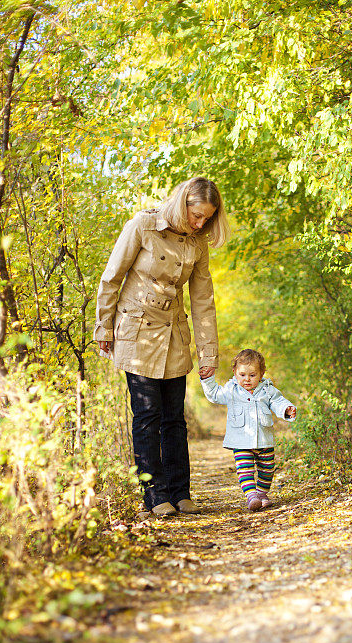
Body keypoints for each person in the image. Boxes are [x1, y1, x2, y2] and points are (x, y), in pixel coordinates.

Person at [94, 177, 229, 517]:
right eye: (196, 215)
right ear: (182, 202)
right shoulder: (143, 225)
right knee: (146, 417)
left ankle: (180, 492)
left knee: (174, 419)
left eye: (207, 219)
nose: (200, 223)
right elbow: (112, 277)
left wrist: (208, 352)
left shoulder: (197, 244)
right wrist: (103, 326)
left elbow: (202, 301)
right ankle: (154, 496)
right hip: (136, 333)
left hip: (174, 335)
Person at [200, 349, 296, 511]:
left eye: (252, 375)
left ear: (261, 374)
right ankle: (251, 496)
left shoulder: (266, 389)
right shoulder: (231, 390)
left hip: (264, 439)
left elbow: (277, 401)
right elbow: (215, 394)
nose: (247, 379)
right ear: (235, 372)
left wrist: (286, 409)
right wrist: (207, 379)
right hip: (241, 441)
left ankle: (262, 494)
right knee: (245, 469)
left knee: (267, 469)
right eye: (242, 375)